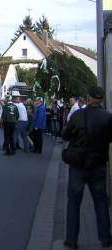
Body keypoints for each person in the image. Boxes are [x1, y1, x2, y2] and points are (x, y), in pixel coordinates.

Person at [62, 86, 112, 249]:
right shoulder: (107, 117)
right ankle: (105, 238)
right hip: (98, 164)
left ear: (88, 98)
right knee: (101, 201)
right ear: (101, 100)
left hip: (78, 165)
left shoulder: (77, 115)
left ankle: (71, 240)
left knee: (74, 203)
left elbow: (66, 135)